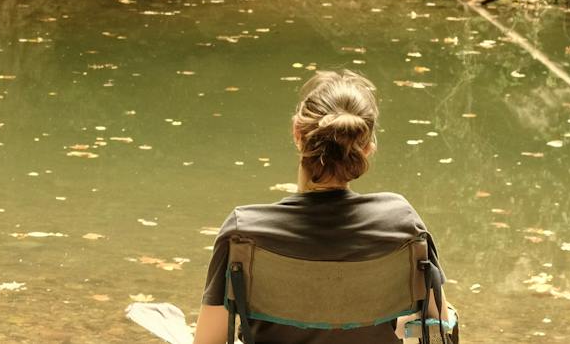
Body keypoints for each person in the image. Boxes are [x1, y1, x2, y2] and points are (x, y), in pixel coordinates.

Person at [192, 70, 450, 343]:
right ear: (367, 147)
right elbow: (438, 324)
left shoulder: (243, 231)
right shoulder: (402, 222)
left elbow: (209, 340)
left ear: (297, 133)